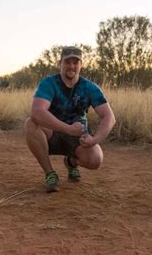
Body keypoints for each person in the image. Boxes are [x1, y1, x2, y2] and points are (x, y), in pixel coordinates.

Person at [24, 46, 116, 192]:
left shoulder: (90, 87)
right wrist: (68, 129)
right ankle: (50, 174)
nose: (72, 66)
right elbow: (36, 112)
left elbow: (109, 117)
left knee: (95, 160)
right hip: (52, 133)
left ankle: (71, 162)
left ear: (81, 65)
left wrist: (94, 139)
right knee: (30, 124)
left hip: (77, 137)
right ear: (60, 63)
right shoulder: (49, 83)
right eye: (67, 62)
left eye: (76, 62)